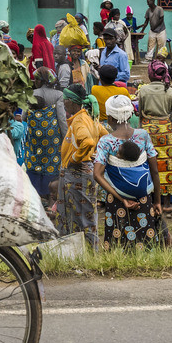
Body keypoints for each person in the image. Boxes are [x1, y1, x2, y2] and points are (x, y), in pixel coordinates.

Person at [92, 94, 169, 249]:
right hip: (143, 197)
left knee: (118, 237)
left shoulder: (106, 142)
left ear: (111, 119)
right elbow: (154, 171)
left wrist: (121, 198)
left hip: (117, 200)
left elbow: (97, 174)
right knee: (145, 235)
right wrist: (158, 201)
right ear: (130, 114)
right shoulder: (143, 136)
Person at [55, 85, 105, 247]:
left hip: (77, 174)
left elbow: (88, 141)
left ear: (71, 101)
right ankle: (81, 250)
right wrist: (94, 154)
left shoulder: (79, 121)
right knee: (83, 215)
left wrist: (76, 158)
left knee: (82, 217)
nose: (63, 103)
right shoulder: (88, 118)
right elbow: (103, 135)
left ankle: (88, 250)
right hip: (82, 174)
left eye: (64, 100)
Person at [136, 58, 172, 200]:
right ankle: (166, 201)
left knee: (148, 163)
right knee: (168, 165)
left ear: (150, 74)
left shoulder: (143, 90)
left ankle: (151, 197)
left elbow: (140, 113)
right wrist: (171, 127)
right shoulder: (170, 91)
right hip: (166, 130)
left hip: (148, 131)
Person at [21, 67, 66, 198]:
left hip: (34, 137)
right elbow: (62, 119)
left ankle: (35, 191)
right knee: (52, 162)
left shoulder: (31, 94)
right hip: (53, 138)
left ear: (40, 80)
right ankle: (49, 192)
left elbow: (24, 116)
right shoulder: (58, 95)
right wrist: (65, 137)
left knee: (34, 159)